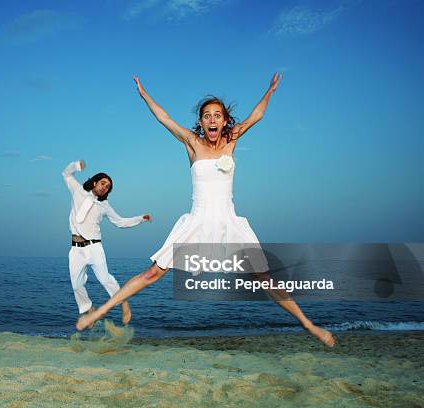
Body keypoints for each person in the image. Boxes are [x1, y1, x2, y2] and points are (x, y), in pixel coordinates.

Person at [76, 74, 336, 347]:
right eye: (207, 116)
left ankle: (309, 325)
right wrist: (145, 96)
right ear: (201, 122)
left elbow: (256, 116)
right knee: (153, 273)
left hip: (228, 223)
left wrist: (270, 91)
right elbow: (165, 119)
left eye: (217, 115)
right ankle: (102, 312)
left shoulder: (231, 140)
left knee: (265, 277)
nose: (212, 120)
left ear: (225, 121)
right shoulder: (192, 143)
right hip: (198, 222)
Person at [63, 159, 151, 326]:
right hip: (76, 249)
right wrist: (76, 166)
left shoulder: (105, 205)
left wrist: (140, 219)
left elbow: (120, 222)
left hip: (95, 247)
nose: (105, 187)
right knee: (76, 284)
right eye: (103, 183)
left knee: (105, 279)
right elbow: (66, 174)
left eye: (108, 187)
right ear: (95, 182)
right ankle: (89, 310)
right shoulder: (78, 191)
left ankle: (124, 303)